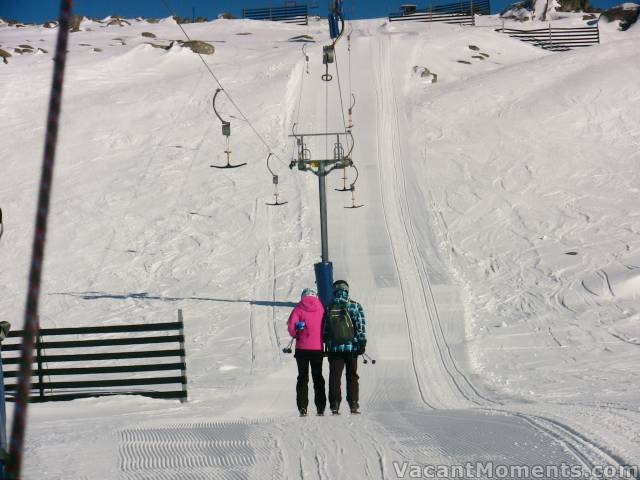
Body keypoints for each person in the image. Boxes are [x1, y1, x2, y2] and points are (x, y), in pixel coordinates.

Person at [323, 280, 366, 415]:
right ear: (347, 290)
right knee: (352, 375)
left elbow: (325, 330)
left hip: (335, 349)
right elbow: (360, 326)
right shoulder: (354, 306)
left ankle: (335, 405)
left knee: (335, 376)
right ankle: (353, 404)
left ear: (334, 290)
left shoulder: (329, 307)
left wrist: (327, 344)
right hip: (351, 348)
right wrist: (361, 344)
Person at [287, 288, 326, 417]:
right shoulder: (321, 308)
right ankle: (320, 407)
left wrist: (297, 334)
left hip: (302, 349)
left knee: (303, 378)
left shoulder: (298, 308)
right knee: (318, 377)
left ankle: (303, 407)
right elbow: (325, 326)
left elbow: (291, 328)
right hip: (317, 349)